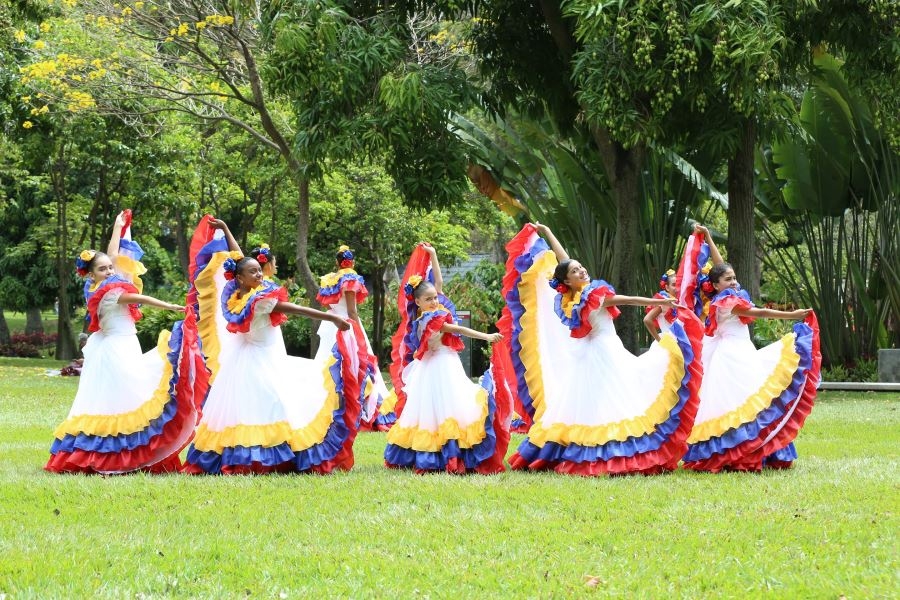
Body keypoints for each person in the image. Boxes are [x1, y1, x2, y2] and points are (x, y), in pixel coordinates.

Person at [497, 222, 703, 475]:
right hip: (602, 352)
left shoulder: (572, 298)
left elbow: (565, 260)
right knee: (610, 399)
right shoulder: (587, 295)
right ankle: (609, 451)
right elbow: (626, 300)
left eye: (581, 268)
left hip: (590, 353)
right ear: (567, 281)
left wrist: (548, 232)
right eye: (576, 271)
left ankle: (580, 449)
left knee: (593, 401)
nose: (581, 271)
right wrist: (654, 301)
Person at [182, 217, 367, 475]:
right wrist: (331, 317)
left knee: (256, 404)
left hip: (252, 355)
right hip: (257, 357)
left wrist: (226, 229)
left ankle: (257, 454)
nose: (259, 273)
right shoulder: (257, 298)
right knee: (271, 402)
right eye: (253, 272)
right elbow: (292, 308)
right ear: (241, 278)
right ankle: (264, 457)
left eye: (259, 270)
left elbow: (239, 257)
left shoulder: (238, 294)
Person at [46, 210, 201, 474]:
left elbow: (112, 255)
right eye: (103, 269)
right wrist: (170, 306)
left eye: (109, 268)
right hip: (117, 347)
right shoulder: (110, 291)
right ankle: (119, 454)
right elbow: (140, 300)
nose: (109, 270)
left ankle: (113, 449)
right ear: (90, 273)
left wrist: (117, 228)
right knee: (127, 396)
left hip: (110, 345)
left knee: (112, 398)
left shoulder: (93, 286)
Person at [681, 224, 820, 472]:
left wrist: (710, 238)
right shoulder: (726, 300)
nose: (734, 281)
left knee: (751, 402)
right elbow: (760, 312)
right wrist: (792, 315)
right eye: (729, 279)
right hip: (733, 355)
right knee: (744, 403)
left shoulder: (724, 292)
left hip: (740, 350)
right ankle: (741, 452)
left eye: (734, 277)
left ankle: (758, 449)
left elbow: (719, 264)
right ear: (716, 284)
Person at [384, 243, 511, 474]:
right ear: (419, 302)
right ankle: (443, 451)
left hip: (440, 362)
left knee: (439, 407)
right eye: (430, 299)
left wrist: (433, 255)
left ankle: (438, 449)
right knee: (443, 407)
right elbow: (458, 330)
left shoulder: (426, 314)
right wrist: (487, 336)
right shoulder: (431, 320)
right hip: (439, 365)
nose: (435, 301)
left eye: (435, 298)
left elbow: (439, 284)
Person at [315, 245, 392, 431]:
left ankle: (329, 404)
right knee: (353, 364)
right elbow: (351, 310)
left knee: (327, 365)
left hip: (330, 324)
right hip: (347, 325)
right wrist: (358, 331)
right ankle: (355, 405)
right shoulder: (350, 279)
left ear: (336, 262)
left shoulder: (329, 280)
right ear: (353, 262)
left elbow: (329, 306)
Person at [643, 269, 679, 341]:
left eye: (679, 284)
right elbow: (647, 319)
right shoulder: (664, 301)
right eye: (674, 285)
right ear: (667, 287)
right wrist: (659, 340)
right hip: (668, 342)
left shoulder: (678, 301)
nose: (677, 288)